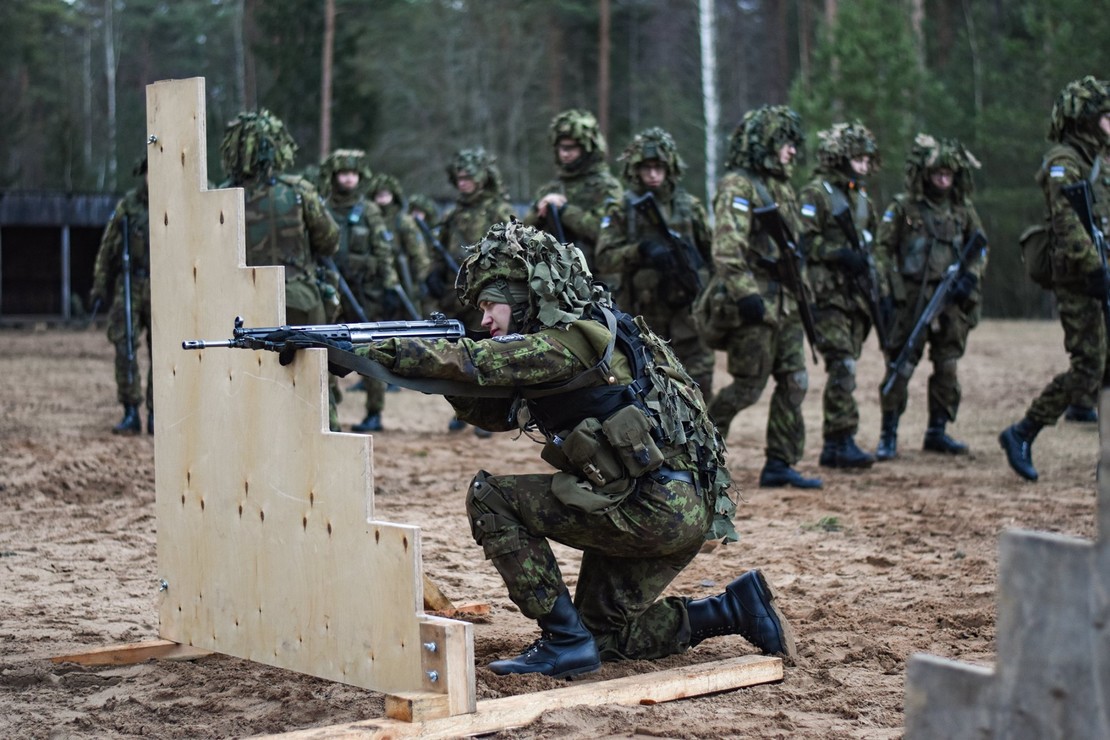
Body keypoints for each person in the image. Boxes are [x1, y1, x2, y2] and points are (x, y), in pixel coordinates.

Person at [267, 221, 796, 678]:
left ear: (522, 297)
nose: (486, 320)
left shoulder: (567, 344)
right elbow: (492, 408)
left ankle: (562, 643)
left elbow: (473, 363)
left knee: (491, 498)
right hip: (672, 507)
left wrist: (364, 350)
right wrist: (369, 359)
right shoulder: (590, 332)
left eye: (490, 305)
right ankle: (732, 609)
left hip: (655, 508)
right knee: (605, 637)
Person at [699, 105, 823, 489]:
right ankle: (698, 454)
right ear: (765, 144)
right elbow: (726, 250)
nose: (792, 152)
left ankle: (781, 462)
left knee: (796, 380)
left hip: (786, 304)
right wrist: (746, 295)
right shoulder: (739, 185)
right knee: (748, 388)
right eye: (784, 143)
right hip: (754, 305)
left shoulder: (783, 187)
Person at [1000, 76, 1110, 481]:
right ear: (1085, 119)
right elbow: (1066, 223)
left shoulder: (1102, 159)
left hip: (1103, 275)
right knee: (1088, 368)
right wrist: (1095, 270)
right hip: (1080, 280)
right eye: (1105, 117)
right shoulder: (1063, 161)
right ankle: (1022, 432)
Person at [219, 109, 341, 429]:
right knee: (315, 381)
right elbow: (329, 240)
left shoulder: (221, 196)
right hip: (300, 299)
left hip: (241, 305)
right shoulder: (298, 190)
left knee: (248, 384)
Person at [873, 134, 987, 460]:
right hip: (912, 298)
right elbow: (882, 250)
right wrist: (890, 289)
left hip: (951, 300)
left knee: (948, 365)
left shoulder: (963, 211)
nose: (943, 180)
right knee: (901, 365)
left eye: (948, 175)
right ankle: (888, 434)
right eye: (937, 174)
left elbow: (980, 249)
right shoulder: (903, 207)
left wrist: (970, 278)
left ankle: (938, 431)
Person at [595, 126, 715, 393]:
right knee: (650, 389)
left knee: (701, 385)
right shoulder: (621, 208)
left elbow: (712, 256)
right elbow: (604, 257)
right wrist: (641, 250)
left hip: (689, 314)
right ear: (634, 170)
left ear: (669, 168)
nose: (652, 174)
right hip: (644, 318)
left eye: (658, 167)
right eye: (645, 168)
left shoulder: (690, 206)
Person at [797, 122, 883, 469]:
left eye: (866, 159)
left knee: (848, 364)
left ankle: (837, 442)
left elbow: (872, 243)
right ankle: (841, 438)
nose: (863, 165)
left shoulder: (862, 200)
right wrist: (837, 254)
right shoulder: (816, 194)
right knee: (842, 363)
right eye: (857, 158)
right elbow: (803, 242)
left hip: (855, 299)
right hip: (826, 297)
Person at [432, 147, 515, 436]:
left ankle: (491, 412)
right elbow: (437, 248)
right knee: (458, 353)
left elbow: (511, 250)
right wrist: (432, 275)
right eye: (460, 178)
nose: (464, 182)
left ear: (482, 178)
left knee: (489, 353)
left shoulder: (497, 210)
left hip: (489, 295)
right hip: (454, 293)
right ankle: (462, 409)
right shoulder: (453, 214)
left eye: (469, 177)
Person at [319, 149, 401, 433]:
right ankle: (327, 409)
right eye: (344, 173)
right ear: (334, 176)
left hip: (365, 292)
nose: (349, 179)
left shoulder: (369, 210)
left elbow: (383, 250)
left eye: (353, 174)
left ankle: (374, 411)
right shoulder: (323, 208)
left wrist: (389, 283)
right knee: (323, 347)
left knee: (371, 350)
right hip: (330, 292)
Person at [523, 109, 623, 287]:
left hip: (596, 283)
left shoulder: (607, 187)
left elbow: (606, 233)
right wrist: (540, 211)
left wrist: (565, 210)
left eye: (572, 148)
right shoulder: (550, 189)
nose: (565, 154)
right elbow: (523, 234)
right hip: (552, 284)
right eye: (561, 148)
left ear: (586, 148)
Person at [90, 156, 153, 435]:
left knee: (164, 351)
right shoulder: (128, 206)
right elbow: (106, 248)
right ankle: (130, 411)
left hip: (163, 285)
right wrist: (99, 285)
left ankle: (157, 413)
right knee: (124, 345)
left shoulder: (175, 202)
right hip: (131, 281)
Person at [368, 172, 431, 319]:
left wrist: (420, 280)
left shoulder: (402, 220)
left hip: (404, 279)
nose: (382, 200)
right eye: (379, 196)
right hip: (374, 280)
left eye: (386, 195)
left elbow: (419, 254)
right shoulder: (369, 218)